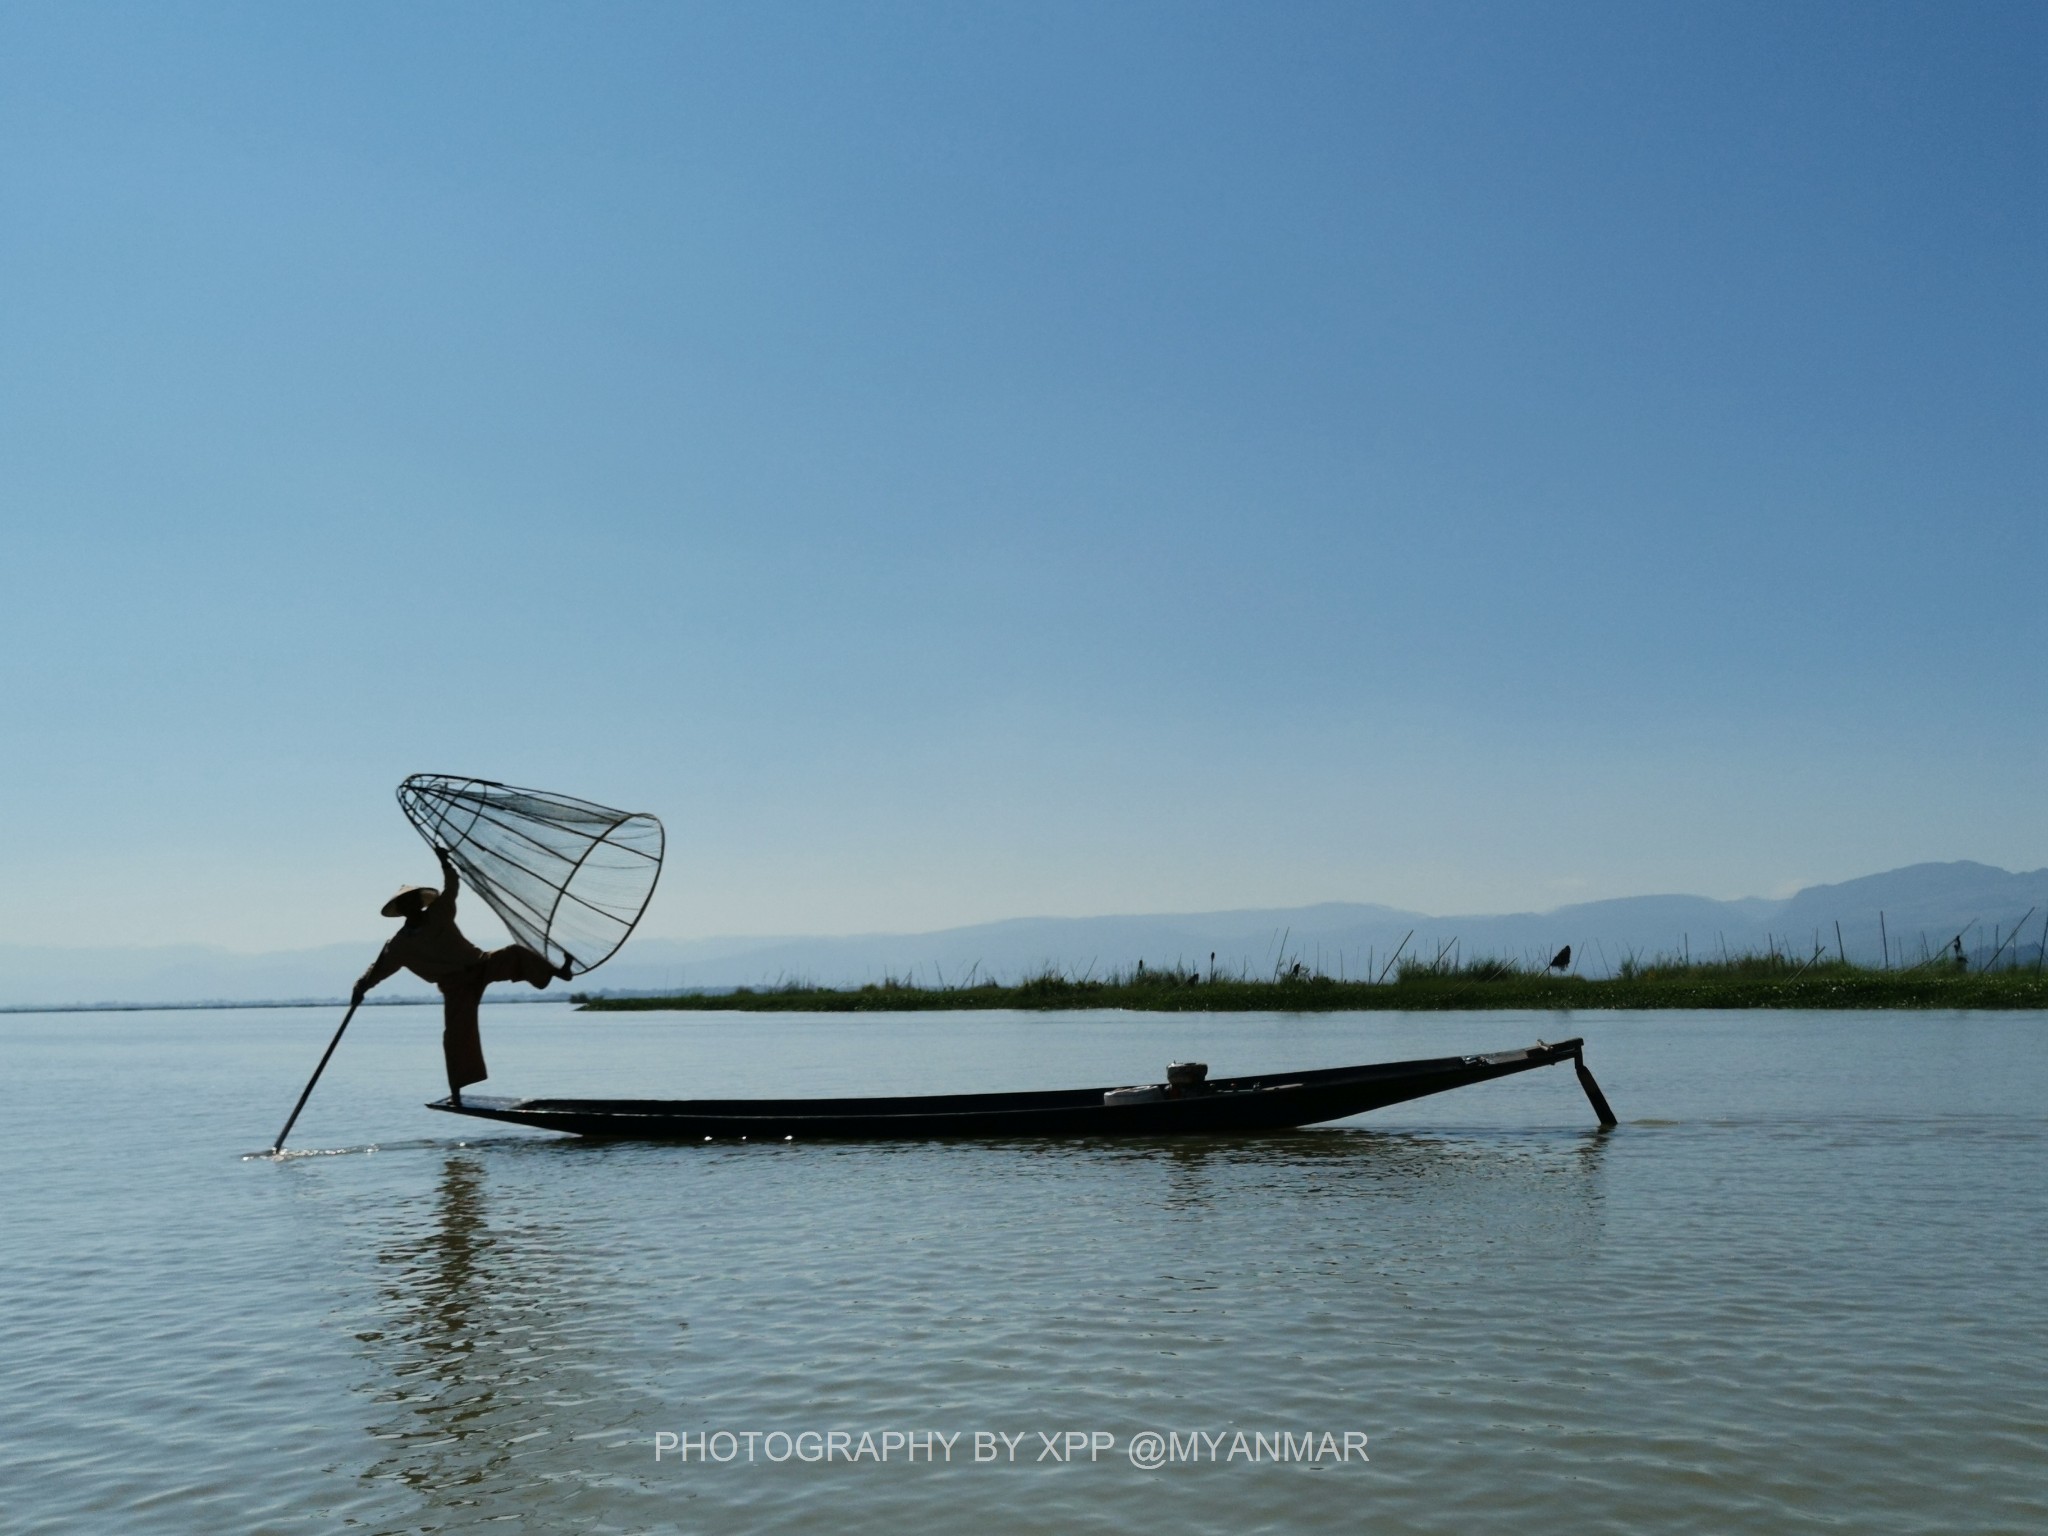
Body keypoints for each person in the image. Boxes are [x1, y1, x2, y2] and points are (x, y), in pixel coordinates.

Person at [353, 848, 570, 1104]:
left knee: (515, 953)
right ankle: (457, 1091)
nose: (413, 906)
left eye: (415, 901)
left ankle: (558, 971)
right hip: (455, 986)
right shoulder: (399, 945)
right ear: (402, 909)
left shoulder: (439, 913)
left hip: (480, 964)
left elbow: (452, 887)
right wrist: (361, 987)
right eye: (407, 904)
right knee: (456, 1036)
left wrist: (445, 862)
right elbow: (379, 969)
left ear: (420, 903)